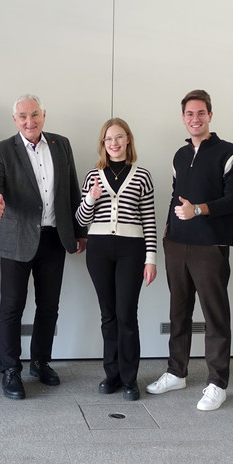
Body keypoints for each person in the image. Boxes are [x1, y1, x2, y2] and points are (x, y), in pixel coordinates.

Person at [147, 90, 233, 411]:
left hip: (210, 246)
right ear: (183, 118)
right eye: (189, 114)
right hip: (177, 244)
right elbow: (176, 195)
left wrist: (200, 210)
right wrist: (167, 229)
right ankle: (176, 372)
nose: (195, 119)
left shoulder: (230, 154)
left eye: (200, 113)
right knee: (178, 312)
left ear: (210, 115)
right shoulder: (179, 155)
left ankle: (217, 383)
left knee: (215, 316)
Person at [0, 94, 87, 400]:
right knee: (12, 307)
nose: (30, 121)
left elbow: (72, 187)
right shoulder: (2, 150)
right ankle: (11, 369)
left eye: (35, 115)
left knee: (49, 306)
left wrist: (80, 231)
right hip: (16, 240)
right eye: (23, 116)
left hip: (54, 237)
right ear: (15, 120)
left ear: (44, 115)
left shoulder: (61, 144)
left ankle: (40, 362)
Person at [75, 117, 157, 401]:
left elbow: (149, 220)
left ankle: (129, 378)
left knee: (126, 314)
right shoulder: (92, 176)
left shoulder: (142, 175)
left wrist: (151, 258)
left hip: (131, 250)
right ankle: (111, 374)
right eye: (108, 139)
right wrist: (90, 199)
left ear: (128, 140)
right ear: (103, 144)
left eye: (119, 138)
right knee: (107, 315)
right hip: (98, 249)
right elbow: (81, 220)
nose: (114, 143)